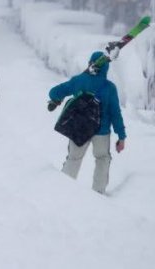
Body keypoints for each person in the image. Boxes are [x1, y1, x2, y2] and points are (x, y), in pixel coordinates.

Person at [47, 50, 126, 194]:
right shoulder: (109, 88)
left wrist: (56, 99)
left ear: (90, 64)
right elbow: (116, 114)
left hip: (80, 129)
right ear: (106, 68)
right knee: (102, 158)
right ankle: (98, 192)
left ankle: (63, 190)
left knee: (73, 159)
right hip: (102, 132)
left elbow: (54, 92)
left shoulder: (79, 80)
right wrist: (121, 136)